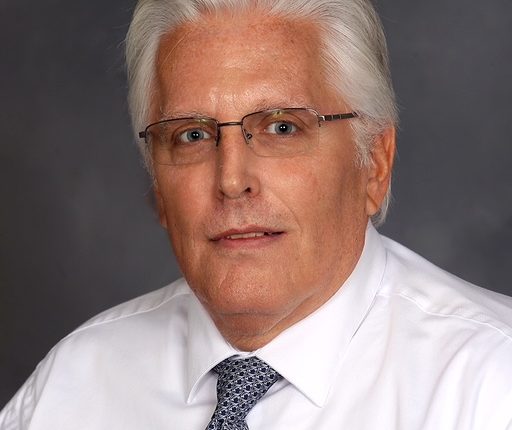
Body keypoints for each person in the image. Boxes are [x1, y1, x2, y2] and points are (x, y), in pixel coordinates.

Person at [2, 0, 511, 428]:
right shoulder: (72, 386)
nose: (230, 180)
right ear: (157, 186)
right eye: (192, 135)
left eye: (282, 127)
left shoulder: (490, 383)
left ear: (374, 164)